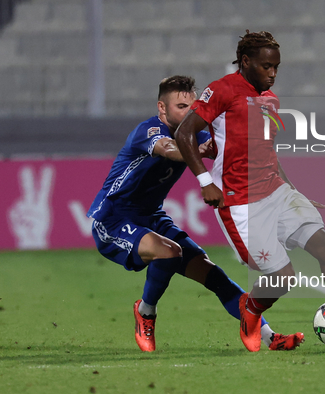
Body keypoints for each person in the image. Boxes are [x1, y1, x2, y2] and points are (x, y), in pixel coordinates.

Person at [175, 30, 325, 352]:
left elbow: (268, 152)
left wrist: (293, 190)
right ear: (246, 62)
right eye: (266, 67)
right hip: (241, 202)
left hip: (276, 191)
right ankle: (251, 310)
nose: (273, 74)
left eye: (277, 67)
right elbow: (183, 133)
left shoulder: (270, 100)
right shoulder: (221, 90)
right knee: (282, 277)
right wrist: (206, 182)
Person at [86, 75, 302, 352]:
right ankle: (146, 311)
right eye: (180, 106)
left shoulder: (197, 134)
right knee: (169, 251)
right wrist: (196, 149)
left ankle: (271, 337)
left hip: (153, 217)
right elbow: (169, 149)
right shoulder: (149, 131)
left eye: (192, 106)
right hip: (113, 219)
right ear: (162, 108)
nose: (188, 112)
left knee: (215, 276)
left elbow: (230, 152)